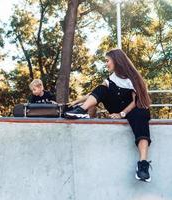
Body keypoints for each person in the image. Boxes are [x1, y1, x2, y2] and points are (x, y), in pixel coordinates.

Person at [65, 49, 152, 182]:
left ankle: (143, 165)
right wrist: (76, 102)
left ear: (116, 61)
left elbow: (136, 101)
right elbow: (94, 93)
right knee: (101, 88)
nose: (106, 64)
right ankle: (81, 111)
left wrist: (122, 114)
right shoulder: (111, 78)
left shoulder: (132, 78)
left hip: (131, 109)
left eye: (107, 61)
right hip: (115, 106)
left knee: (142, 114)